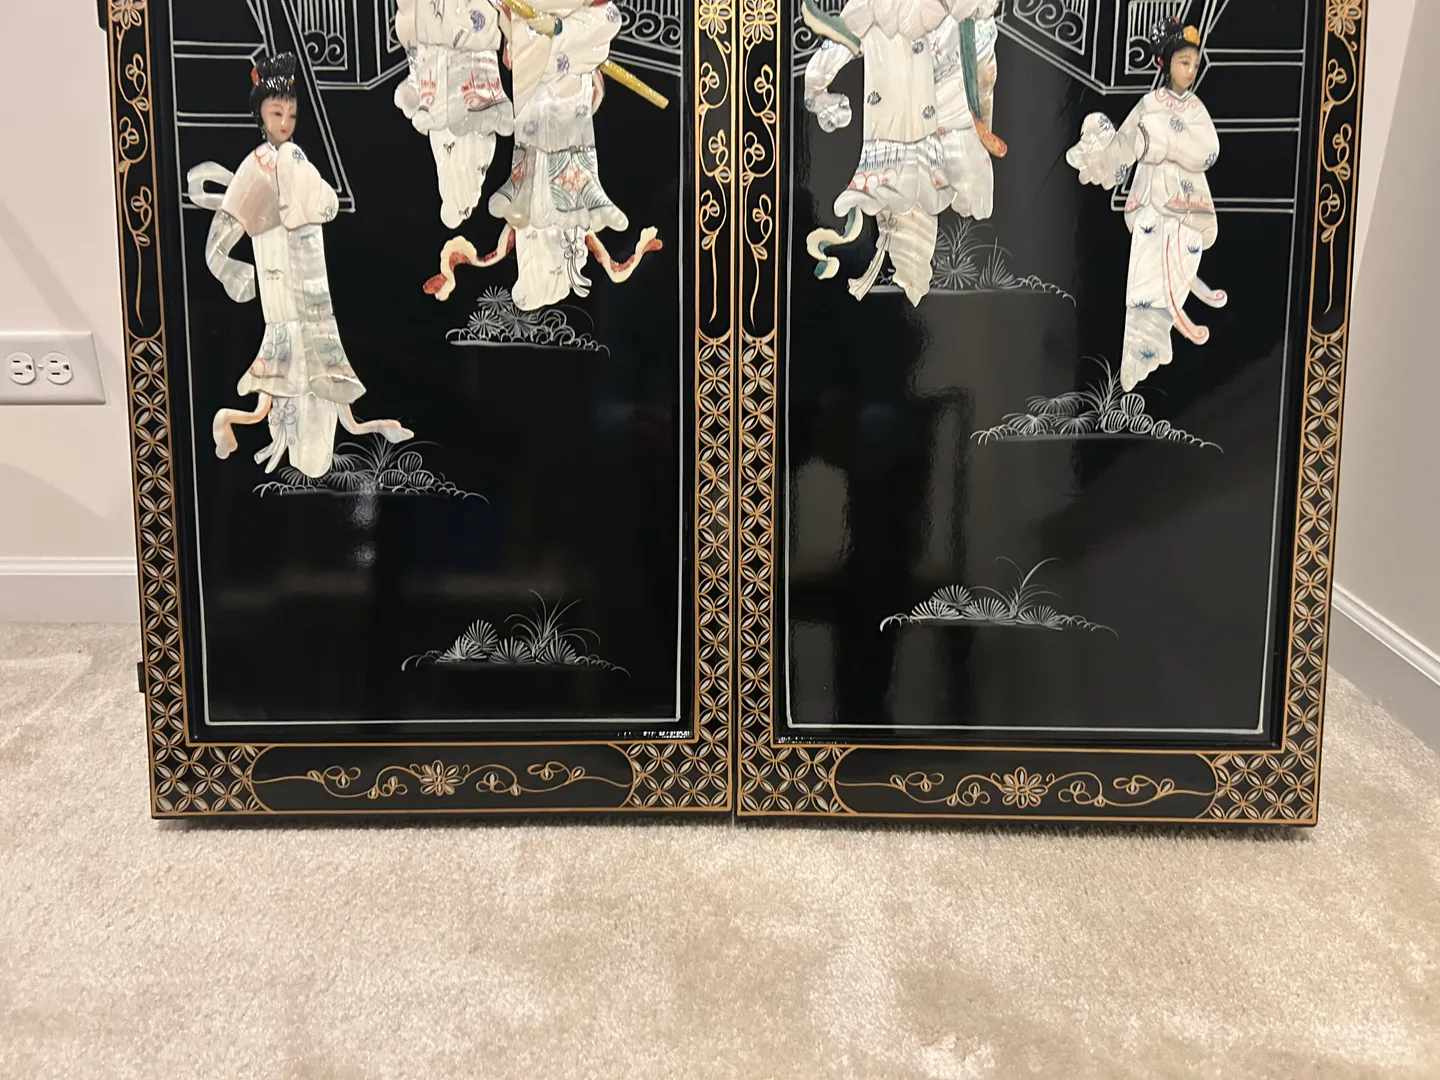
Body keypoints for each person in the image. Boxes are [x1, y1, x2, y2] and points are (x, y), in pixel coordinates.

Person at [187, 53, 413, 479]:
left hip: (312, 288)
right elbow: (225, 227)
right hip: (281, 283)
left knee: (313, 372)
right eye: (276, 113)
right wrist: (229, 267)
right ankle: (232, 424)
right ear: (261, 114)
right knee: (285, 371)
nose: (285, 122)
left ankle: (265, 432)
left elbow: (324, 203)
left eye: (290, 114)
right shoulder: (257, 166)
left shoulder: (296, 159)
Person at [422, 0, 662, 312]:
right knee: (534, 189)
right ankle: (537, 268)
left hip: (569, 96)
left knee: (561, 191)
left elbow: (606, 18)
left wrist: (560, 29)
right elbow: (511, 25)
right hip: (534, 93)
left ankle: (558, 260)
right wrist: (530, 29)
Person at [801, 0, 1006, 306]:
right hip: (892, 136)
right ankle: (906, 276)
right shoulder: (871, 6)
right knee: (900, 204)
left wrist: (980, 124)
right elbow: (842, 39)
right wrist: (817, 92)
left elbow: (981, 59)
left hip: (941, 128)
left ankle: (911, 278)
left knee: (934, 200)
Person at [1065, 17, 1225, 392]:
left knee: (1182, 258)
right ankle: (1141, 349)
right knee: (1144, 273)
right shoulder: (1148, 105)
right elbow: (1125, 146)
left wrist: (1162, 145)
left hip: (1185, 201)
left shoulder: (1196, 108)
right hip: (1152, 201)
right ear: (1164, 63)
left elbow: (1209, 151)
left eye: (1194, 63)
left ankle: (1165, 328)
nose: (1190, 71)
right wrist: (1106, 153)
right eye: (1183, 62)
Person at [393, 0, 514, 229]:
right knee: (448, 147)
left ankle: (466, 190)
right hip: (437, 64)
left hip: (474, 64)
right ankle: (456, 194)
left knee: (473, 147)